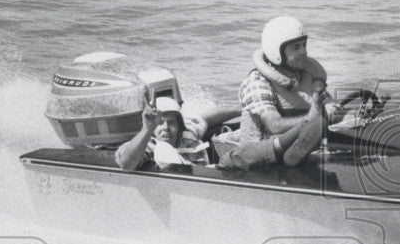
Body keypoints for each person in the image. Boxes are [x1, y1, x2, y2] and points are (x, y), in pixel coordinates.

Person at [230, 15, 343, 169]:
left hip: (303, 152)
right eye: (295, 47)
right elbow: (274, 126)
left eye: (304, 45)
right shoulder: (257, 82)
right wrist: (315, 117)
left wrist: (344, 115)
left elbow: (330, 110)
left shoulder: (306, 77)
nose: (303, 51)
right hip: (262, 161)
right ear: (277, 52)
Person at [115, 96, 210, 170]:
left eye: (172, 122)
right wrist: (147, 128)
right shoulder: (149, 146)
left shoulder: (192, 141)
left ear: (179, 126)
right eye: (160, 123)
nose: (166, 128)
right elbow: (125, 165)